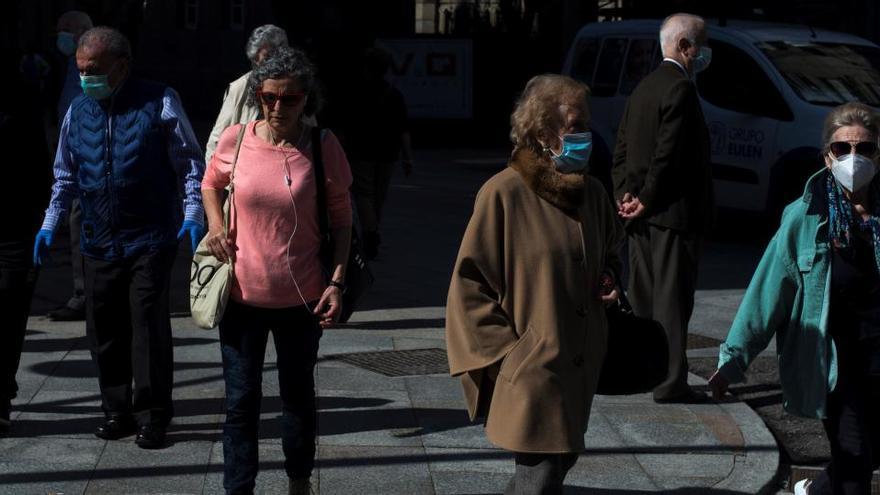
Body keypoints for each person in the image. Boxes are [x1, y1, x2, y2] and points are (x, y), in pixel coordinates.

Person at [446, 74, 624, 494]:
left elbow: (611, 253)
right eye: (576, 126)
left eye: (587, 124)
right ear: (544, 134)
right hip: (533, 369)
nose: (587, 135)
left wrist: (610, 279)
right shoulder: (503, 194)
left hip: (579, 363)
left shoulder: (593, 194)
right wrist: (511, 356)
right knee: (540, 476)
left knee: (555, 466)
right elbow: (469, 285)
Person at [32, 27, 206, 449]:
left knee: (147, 326)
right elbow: (65, 173)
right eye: (80, 69)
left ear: (121, 66)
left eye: (94, 69)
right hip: (97, 239)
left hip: (149, 236)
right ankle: (116, 410)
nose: (86, 77)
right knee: (104, 328)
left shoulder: (158, 100)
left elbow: (189, 163)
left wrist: (192, 213)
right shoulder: (78, 109)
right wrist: (50, 222)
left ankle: (153, 414)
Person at [202, 47, 352, 495]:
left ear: (307, 99)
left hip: (302, 299)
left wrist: (337, 282)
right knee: (240, 403)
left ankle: (299, 481)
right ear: (258, 96)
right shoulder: (238, 138)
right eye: (269, 97)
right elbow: (211, 182)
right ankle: (238, 488)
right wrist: (214, 223)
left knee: (297, 400)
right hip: (242, 297)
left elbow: (343, 220)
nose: (278, 107)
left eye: (290, 99)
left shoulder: (323, 146)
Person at [709, 102, 880, 495]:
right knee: (854, 466)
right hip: (835, 367)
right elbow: (768, 291)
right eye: (842, 149)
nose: (854, 158)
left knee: (866, 456)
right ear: (827, 155)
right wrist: (733, 360)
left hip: (878, 363)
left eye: (865, 149)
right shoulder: (804, 217)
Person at [610, 13, 714, 404]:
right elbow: (667, 157)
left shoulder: (644, 88)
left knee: (644, 298)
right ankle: (670, 382)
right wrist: (648, 198)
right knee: (671, 302)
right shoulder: (680, 90)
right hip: (671, 214)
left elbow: (622, 149)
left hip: (639, 216)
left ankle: (645, 372)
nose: (704, 55)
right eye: (702, 46)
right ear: (684, 47)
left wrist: (625, 195)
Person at [0, 50, 53, 435]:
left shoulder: (20, 97)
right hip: (18, 220)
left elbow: (39, 164)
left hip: (15, 225)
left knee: (9, 309)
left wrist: (42, 223)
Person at [343, 46, 413, 259]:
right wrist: (407, 158)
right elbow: (403, 130)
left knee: (364, 193)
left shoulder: (356, 93)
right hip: (387, 153)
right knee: (378, 195)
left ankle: (370, 232)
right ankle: (372, 230)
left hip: (361, 151)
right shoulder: (394, 95)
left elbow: (348, 125)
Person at [47, 10, 93, 322]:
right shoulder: (66, 65)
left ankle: (83, 296)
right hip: (69, 156)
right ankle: (83, 293)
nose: (59, 35)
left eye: (65, 29)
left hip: (84, 160)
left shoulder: (90, 68)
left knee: (80, 225)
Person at [204, 24, 289, 164]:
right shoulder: (240, 88)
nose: (274, 64)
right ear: (255, 59)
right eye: (267, 58)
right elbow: (216, 141)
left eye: (277, 55)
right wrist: (214, 182)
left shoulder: (296, 86)